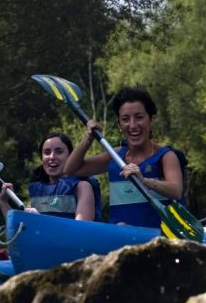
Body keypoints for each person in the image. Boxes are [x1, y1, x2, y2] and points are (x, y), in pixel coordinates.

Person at [63, 86, 187, 228]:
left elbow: (176, 191)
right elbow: (70, 169)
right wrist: (88, 139)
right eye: (125, 119)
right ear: (119, 125)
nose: (133, 125)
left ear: (151, 121)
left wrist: (144, 180)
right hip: (121, 238)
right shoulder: (115, 156)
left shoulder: (165, 156)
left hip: (156, 239)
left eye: (139, 117)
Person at [0, 132, 101, 221]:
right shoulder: (38, 191)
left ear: (70, 156)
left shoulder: (83, 187)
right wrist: (3, 202)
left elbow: (82, 231)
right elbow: (19, 230)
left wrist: (41, 220)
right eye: (47, 152)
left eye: (59, 151)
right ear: (41, 158)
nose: (52, 157)